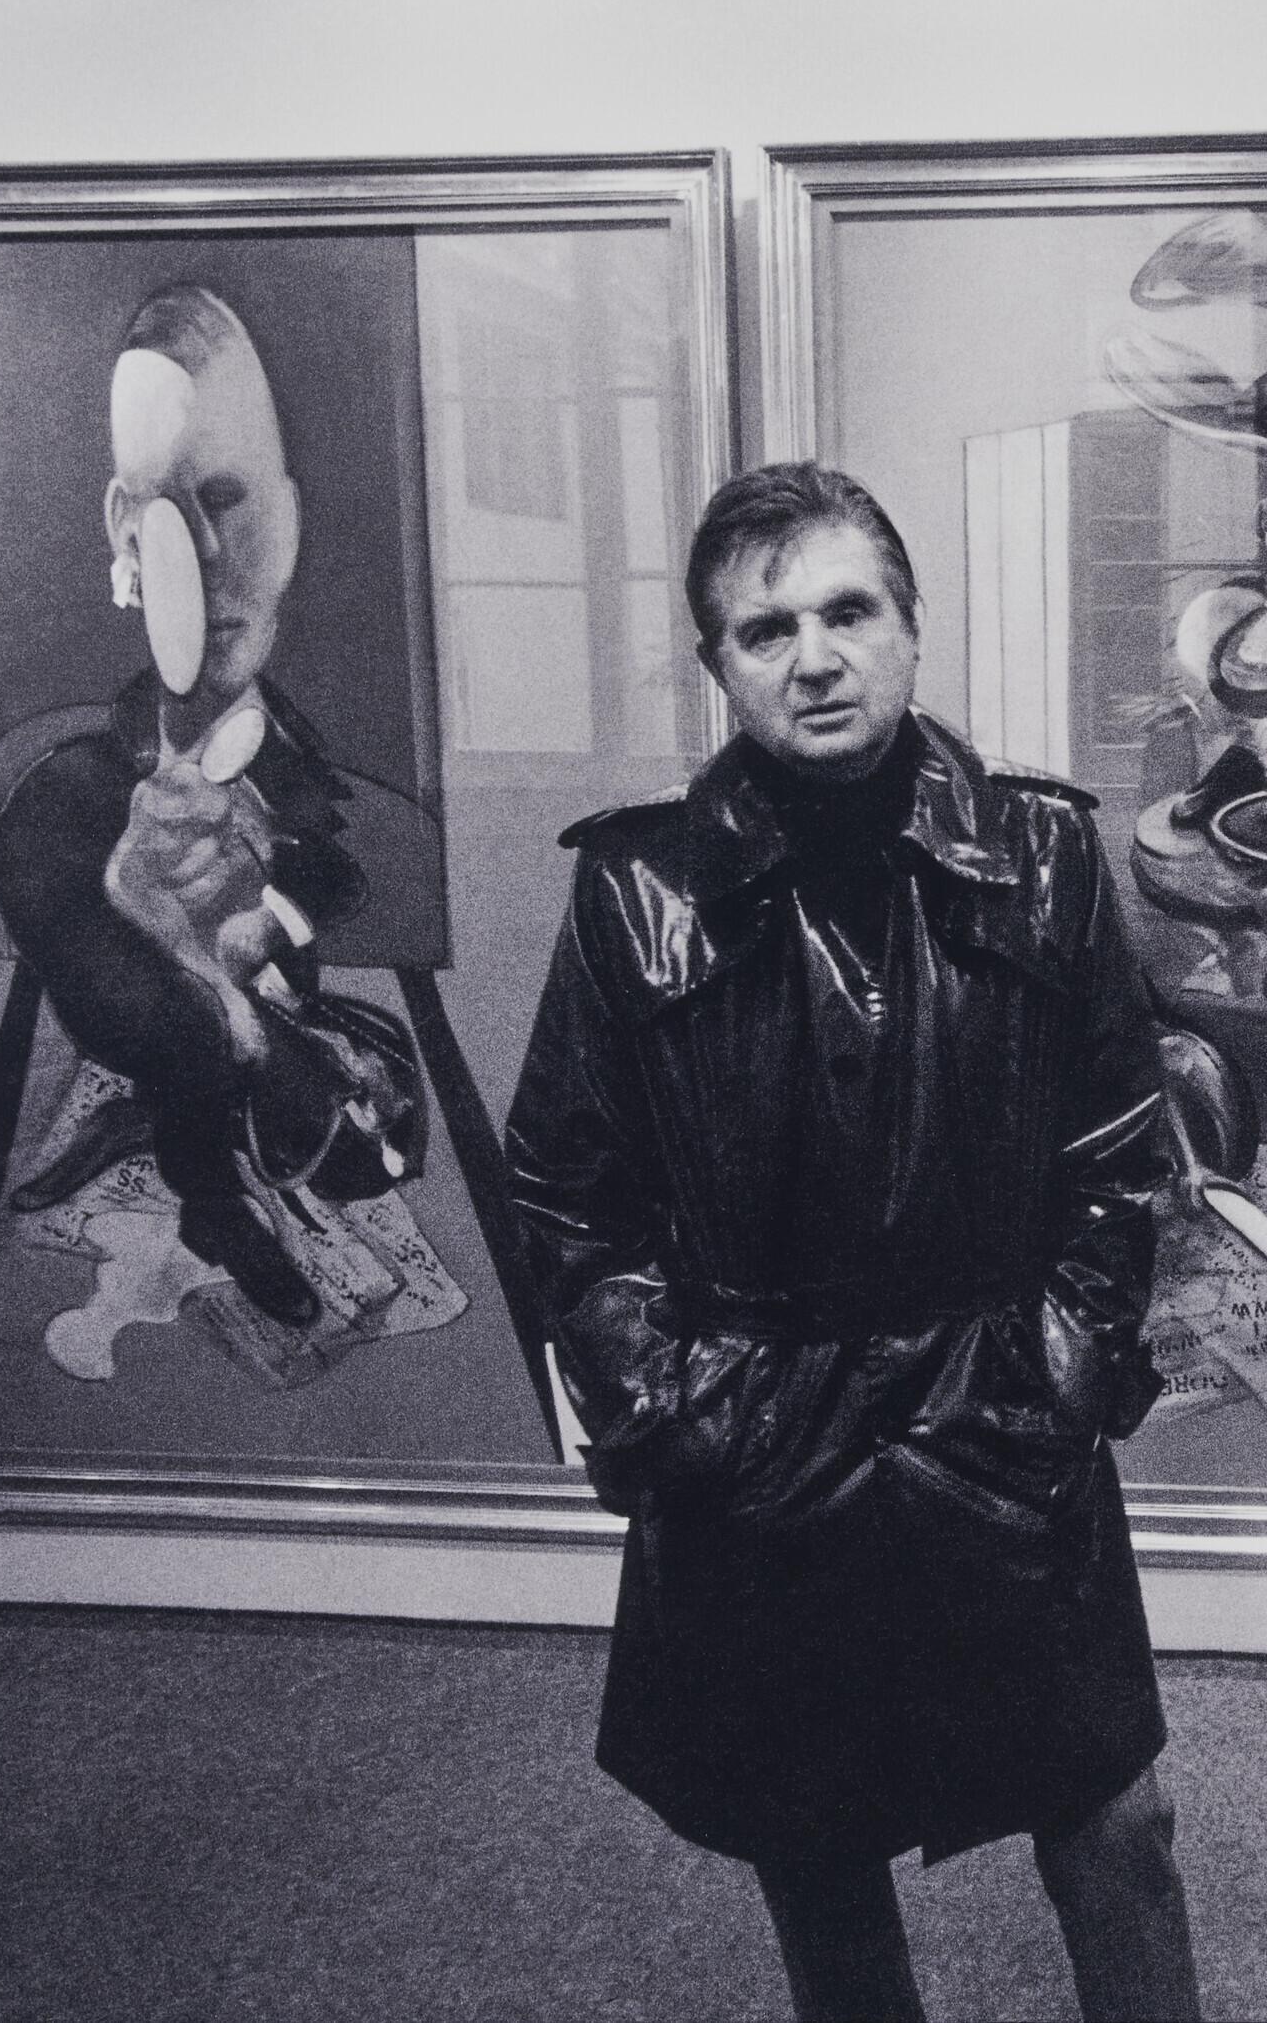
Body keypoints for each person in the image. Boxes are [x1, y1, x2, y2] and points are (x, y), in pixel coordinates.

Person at [502, 461, 1201, 2023]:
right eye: (766, 629)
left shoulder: (1043, 851)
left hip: (1001, 1423)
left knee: (1118, 1823)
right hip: (764, 1444)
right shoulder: (633, 893)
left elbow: (1118, 1143)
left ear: (909, 625)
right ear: (720, 667)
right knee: (818, 1851)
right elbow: (565, 1189)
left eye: (846, 609)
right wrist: (685, 1407)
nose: (813, 655)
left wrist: (1068, 1359)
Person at [0, 282, 425, 1329]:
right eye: (168, 513)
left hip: (270, 1007)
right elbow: (101, 969)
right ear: (123, 534)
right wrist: (176, 946)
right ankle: (212, 1207)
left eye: (227, 498)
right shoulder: (63, 794)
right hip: (183, 1022)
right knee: (192, 1046)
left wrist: (259, 929)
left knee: (367, 1148)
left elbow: (338, 868)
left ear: (290, 510)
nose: (209, 558)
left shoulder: (296, 761)